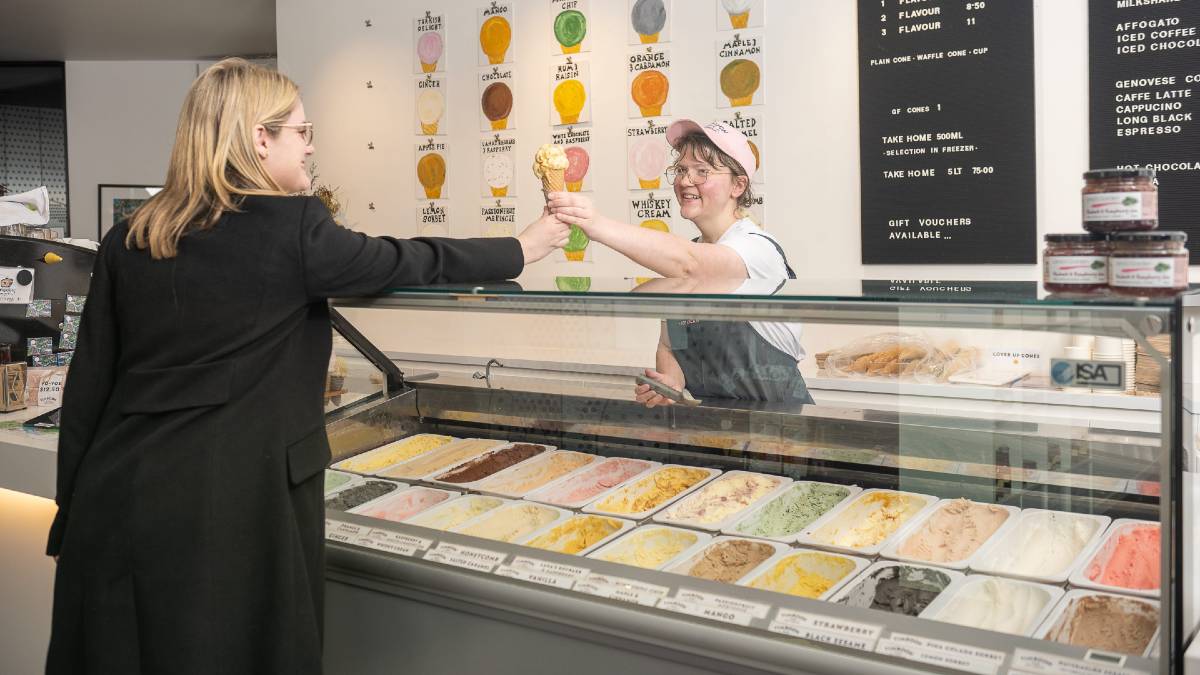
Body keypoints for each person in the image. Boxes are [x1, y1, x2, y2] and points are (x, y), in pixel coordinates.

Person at [44, 58, 568, 674]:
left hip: (114, 498)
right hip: (226, 510)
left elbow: (88, 388)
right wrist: (522, 248)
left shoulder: (132, 234)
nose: (311, 146)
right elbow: (405, 260)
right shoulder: (290, 226)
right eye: (302, 131)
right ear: (259, 138)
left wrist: (68, 513)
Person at [547, 119, 812, 407]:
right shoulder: (689, 254)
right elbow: (669, 345)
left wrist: (597, 225)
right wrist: (671, 381)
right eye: (682, 170)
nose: (686, 181)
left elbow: (693, 266)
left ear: (738, 185)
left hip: (781, 429)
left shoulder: (757, 248)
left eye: (702, 171)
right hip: (713, 430)